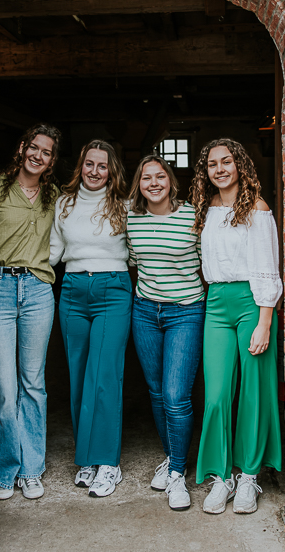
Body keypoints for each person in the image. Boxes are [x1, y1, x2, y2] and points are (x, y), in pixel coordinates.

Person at [189, 138, 283, 515]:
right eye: (213, 164)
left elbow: (267, 267)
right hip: (216, 303)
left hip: (252, 303)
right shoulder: (206, 208)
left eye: (226, 161)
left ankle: (247, 476)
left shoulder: (257, 209)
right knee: (215, 395)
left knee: (254, 392)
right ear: (206, 172)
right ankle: (220, 476)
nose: (220, 169)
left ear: (240, 165)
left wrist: (265, 321)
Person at [0, 123, 61, 501]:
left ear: (52, 160)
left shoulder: (54, 195)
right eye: (34, 147)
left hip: (39, 290)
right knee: (5, 389)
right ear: (22, 148)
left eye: (47, 152)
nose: (38, 156)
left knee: (33, 384)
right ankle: (5, 469)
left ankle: (31, 470)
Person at [49, 139, 132, 498]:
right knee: (79, 373)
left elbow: (139, 252)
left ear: (111, 171)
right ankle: (86, 457)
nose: (95, 172)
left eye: (102, 166)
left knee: (104, 375)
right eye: (89, 164)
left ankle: (108, 463)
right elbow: (53, 252)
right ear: (80, 166)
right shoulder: (63, 203)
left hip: (113, 290)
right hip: (72, 290)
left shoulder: (124, 206)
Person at [127, 155, 205, 511]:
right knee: (157, 392)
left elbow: (210, 262)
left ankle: (177, 473)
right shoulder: (132, 218)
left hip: (186, 311)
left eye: (160, 176)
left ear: (172, 182)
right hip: (145, 310)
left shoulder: (192, 217)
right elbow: (131, 261)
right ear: (139, 184)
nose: (154, 183)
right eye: (146, 178)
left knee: (176, 395)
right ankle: (172, 457)